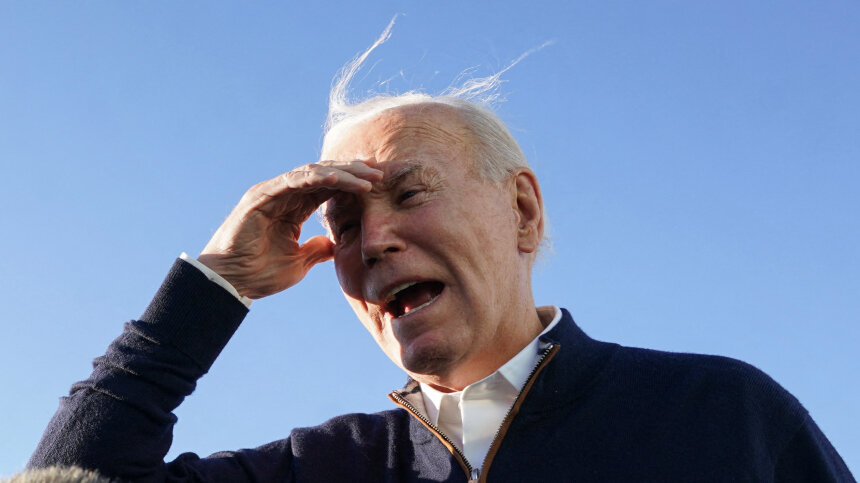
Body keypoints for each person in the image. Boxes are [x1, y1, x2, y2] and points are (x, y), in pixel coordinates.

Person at [29, 29, 854, 483]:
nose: (372, 239)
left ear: (521, 209)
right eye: (343, 222)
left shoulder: (720, 416)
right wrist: (214, 288)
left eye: (411, 191)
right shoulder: (324, 469)